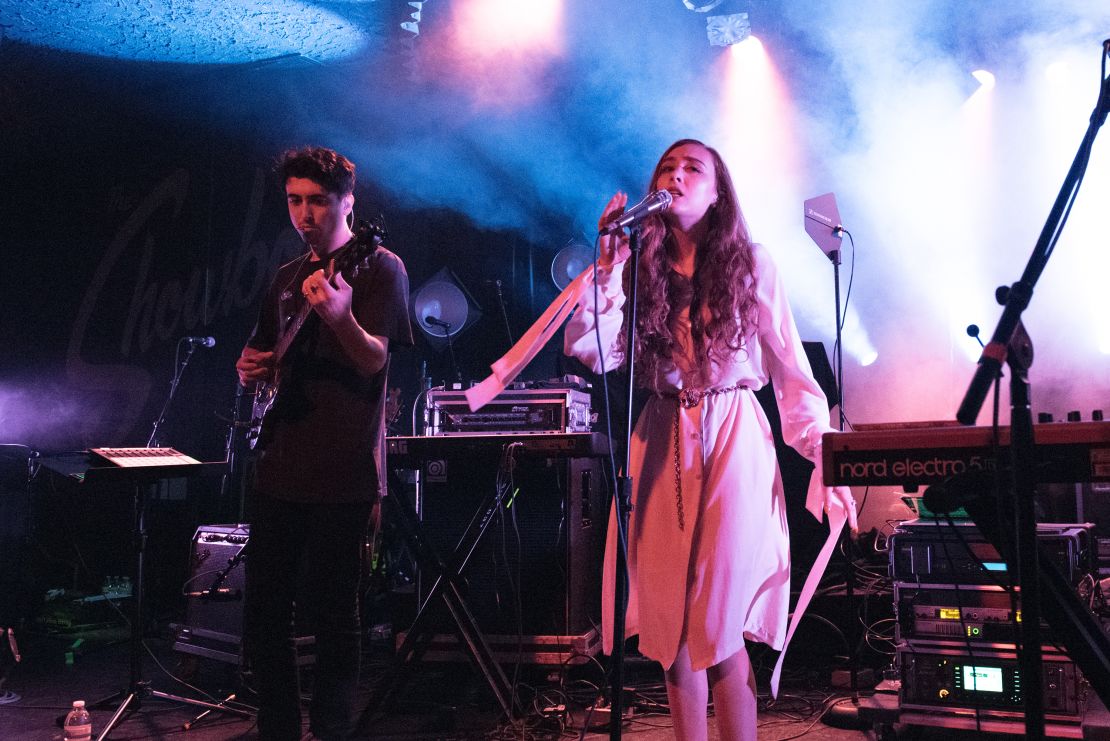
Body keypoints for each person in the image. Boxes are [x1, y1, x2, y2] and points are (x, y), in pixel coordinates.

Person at [563, 139, 856, 741]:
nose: (676, 174)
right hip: (663, 433)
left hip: (733, 436)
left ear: (719, 191)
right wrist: (610, 269)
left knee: (719, 618)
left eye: (692, 167)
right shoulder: (638, 268)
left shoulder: (751, 262)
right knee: (670, 624)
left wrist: (825, 454)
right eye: (667, 166)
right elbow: (592, 349)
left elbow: (791, 367)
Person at [236, 146, 413, 740]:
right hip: (279, 462)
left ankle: (333, 730)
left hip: (342, 465)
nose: (304, 214)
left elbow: (375, 360)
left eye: (317, 201)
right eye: (294, 201)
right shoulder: (286, 277)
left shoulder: (379, 266)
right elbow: (262, 355)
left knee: (335, 615)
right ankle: (278, 728)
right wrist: (249, 366)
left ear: (347, 203)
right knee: (264, 614)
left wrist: (341, 317)